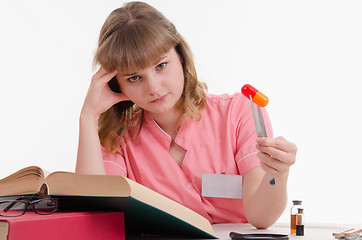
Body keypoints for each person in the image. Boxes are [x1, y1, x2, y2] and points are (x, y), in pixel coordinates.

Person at [75, 1, 297, 229]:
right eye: (134, 77)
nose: (153, 87)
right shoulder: (118, 136)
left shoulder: (239, 112)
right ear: (116, 83)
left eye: (161, 65)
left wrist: (277, 175)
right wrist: (88, 116)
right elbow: (95, 216)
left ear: (180, 56)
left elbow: (261, 218)